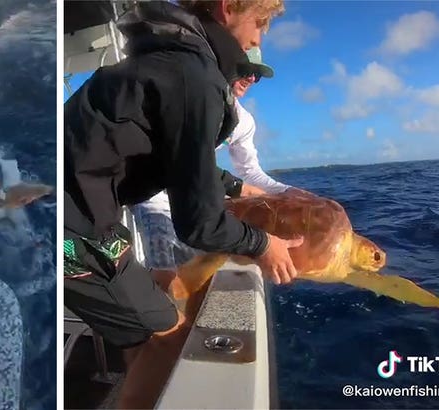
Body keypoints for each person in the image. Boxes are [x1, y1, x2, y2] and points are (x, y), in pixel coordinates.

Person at [64, 0, 300, 407]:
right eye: (260, 22)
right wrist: (265, 245)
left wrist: (239, 190)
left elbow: (174, 155)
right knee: (171, 332)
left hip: (76, 210)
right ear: (228, 9)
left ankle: (138, 367)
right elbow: (200, 225)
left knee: (157, 292)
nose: (259, 37)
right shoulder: (196, 77)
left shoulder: (169, 59)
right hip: (69, 230)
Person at [132, 46, 294, 291]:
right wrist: (234, 186)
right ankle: (159, 320)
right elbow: (170, 155)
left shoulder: (244, 122)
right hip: (153, 191)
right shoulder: (187, 100)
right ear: (225, 63)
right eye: (246, 69)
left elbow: (250, 171)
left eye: (256, 75)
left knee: (199, 266)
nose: (250, 78)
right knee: (164, 269)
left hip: (193, 194)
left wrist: (288, 192)